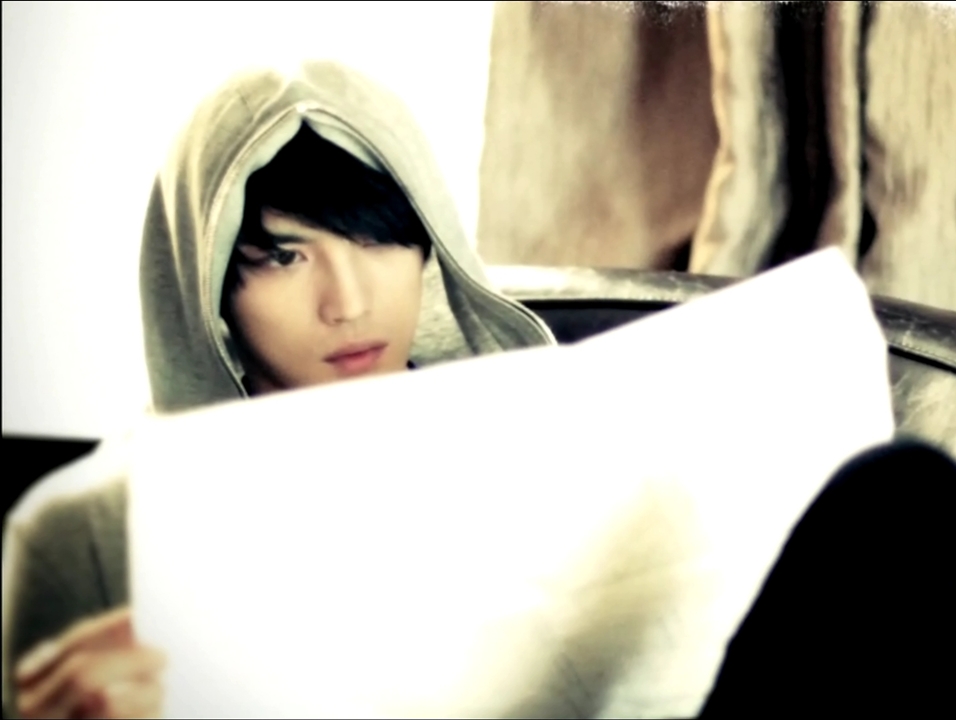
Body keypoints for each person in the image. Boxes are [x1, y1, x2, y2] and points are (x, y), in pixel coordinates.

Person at [1, 60, 555, 719]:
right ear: (209, 285)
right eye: (285, 257)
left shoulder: (538, 465)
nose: (349, 304)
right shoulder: (89, 535)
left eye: (378, 241)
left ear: (430, 246)